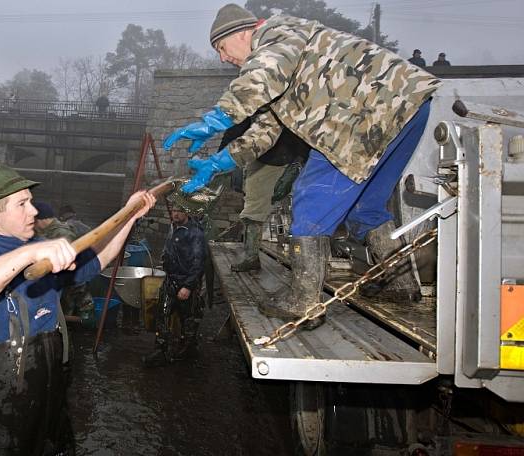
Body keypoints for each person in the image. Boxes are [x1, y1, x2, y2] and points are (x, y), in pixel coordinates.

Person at [163, 4, 440, 328]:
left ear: (241, 33)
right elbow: (263, 133)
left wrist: (214, 121)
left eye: (222, 48)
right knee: (365, 207)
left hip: (365, 116)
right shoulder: (281, 63)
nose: (223, 58)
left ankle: (303, 300)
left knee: (310, 195)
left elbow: (260, 77)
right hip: (404, 109)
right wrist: (217, 163)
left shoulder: (275, 35)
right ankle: (401, 285)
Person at [0, 164, 155, 455]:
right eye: (22, 204)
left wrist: (129, 217)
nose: (34, 212)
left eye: (31, 202)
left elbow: (97, 260)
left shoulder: (42, 247)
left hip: (49, 408)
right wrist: (28, 253)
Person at [221, 117, 309, 272]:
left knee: (302, 208)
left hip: (288, 154)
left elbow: (302, 128)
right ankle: (251, 257)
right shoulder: (255, 104)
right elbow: (237, 128)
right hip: (262, 156)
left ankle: (304, 261)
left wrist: (298, 162)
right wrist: (223, 157)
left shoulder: (282, 100)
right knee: (252, 212)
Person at [143, 205, 207, 367]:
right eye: (173, 211)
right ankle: (161, 349)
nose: (175, 214)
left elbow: (199, 263)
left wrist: (188, 286)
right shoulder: (174, 228)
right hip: (170, 280)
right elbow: (170, 251)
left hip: (185, 282)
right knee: (162, 314)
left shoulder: (195, 233)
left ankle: (188, 349)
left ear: (187, 212)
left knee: (188, 317)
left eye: (178, 211)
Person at [33, 201, 93, 316]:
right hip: (64, 282)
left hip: (72, 283)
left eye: (34, 222)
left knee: (73, 312)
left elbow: (66, 262)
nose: (33, 226)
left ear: (41, 220)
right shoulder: (49, 232)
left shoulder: (62, 234)